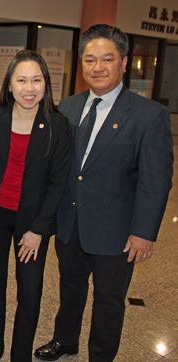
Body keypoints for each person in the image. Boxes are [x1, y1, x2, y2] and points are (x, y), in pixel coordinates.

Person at [34, 24, 173, 362]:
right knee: (70, 288)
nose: (97, 67)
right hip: (70, 222)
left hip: (117, 230)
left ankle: (101, 354)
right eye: (90, 59)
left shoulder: (148, 115)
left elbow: (156, 180)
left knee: (109, 299)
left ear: (123, 63)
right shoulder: (66, 106)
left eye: (106, 59)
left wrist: (143, 233)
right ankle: (65, 340)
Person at [0, 50, 71, 362]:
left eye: (36, 80)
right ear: (9, 85)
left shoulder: (58, 126)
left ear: (46, 85)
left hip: (32, 223)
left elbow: (58, 183)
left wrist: (38, 230)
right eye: (21, 80)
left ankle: (20, 356)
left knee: (29, 295)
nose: (28, 88)